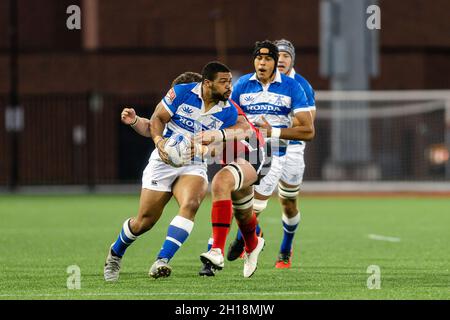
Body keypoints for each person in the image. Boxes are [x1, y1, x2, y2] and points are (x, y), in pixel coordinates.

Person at [103, 63, 248, 281]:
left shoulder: (228, 110)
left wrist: (204, 149)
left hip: (194, 164)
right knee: (144, 222)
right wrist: (159, 141)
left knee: (191, 204)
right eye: (224, 82)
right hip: (163, 162)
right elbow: (157, 119)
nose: (230, 86)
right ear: (207, 83)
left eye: (230, 82)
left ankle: (162, 260)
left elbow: (228, 140)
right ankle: (115, 253)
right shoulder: (182, 92)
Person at [199, 40, 315, 275]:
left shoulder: (295, 87)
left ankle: (266, 244)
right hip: (242, 152)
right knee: (229, 197)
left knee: (273, 206)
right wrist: (214, 141)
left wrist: (272, 131)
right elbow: (228, 115)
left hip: (275, 154)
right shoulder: (242, 84)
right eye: (259, 58)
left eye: (269, 58)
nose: (263, 63)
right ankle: (224, 250)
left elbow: (309, 131)